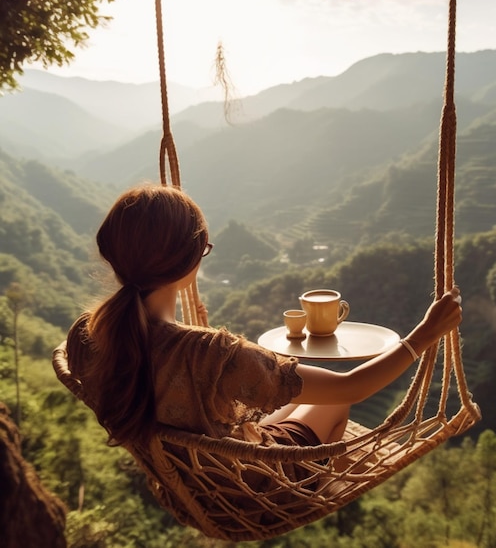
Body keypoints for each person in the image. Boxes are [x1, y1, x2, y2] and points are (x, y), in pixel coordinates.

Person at [66, 184, 462, 453]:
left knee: (284, 400)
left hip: (191, 484)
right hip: (249, 486)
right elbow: (351, 387)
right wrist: (426, 333)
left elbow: (169, 376)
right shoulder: (216, 356)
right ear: (187, 262)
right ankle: (330, 484)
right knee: (330, 405)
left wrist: (192, 333)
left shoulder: (87, 335)